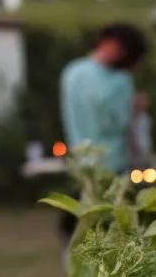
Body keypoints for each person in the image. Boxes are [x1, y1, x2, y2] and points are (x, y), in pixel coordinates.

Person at [59, 23, 147, 175]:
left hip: (81, 162)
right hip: (114, 163)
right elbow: (125, 124)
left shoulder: (71, 72)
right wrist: (136, 111)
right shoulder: (120, 80)